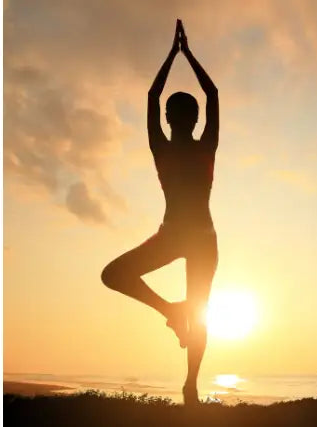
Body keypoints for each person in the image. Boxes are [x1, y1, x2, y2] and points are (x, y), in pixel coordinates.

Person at [100, 19, 218, 406]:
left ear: (171, 120)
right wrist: (186, 54)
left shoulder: (167, 146)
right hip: (187, 236)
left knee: (115, 276)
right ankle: (177, 331)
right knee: (194, 312)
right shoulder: (200, 146)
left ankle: (190, 383)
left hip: (189, 237)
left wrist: (173, 55)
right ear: (192, 119)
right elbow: (211, 93)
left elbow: (154, 96)